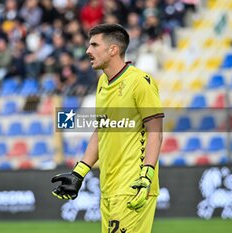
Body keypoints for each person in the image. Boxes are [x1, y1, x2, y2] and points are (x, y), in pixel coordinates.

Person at [51, 23, 164, 233]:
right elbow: (102, 130)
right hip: (109, 188)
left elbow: (155, 132)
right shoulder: (103, 82)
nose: (88, 51)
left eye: (94, 45)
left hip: (133, 187)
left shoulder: (141, 82)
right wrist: (79, 172)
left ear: (113, 50)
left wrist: (146, 176)